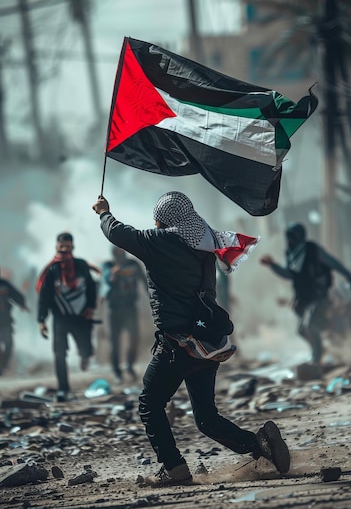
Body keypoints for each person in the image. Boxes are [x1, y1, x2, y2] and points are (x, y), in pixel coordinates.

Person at [92, 191, 290, 487]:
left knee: (149, 403)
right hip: (208, 344)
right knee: (206, 418)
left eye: (158, 218)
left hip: (177, 345)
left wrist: (104, 212)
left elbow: (118, 233)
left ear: (165, 219)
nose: (155, 222)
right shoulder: (204, 241)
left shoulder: (158, 242)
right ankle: (260, 446)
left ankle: (174, 468)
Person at [260, 222, 351, 365]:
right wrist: (273, 265)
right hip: (303, 298)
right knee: (302, 330)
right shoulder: (291, 255)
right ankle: (321, 349)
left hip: (319, 295)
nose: (290, 240)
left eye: (292, 237)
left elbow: (333, 263)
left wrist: (347, 274)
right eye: (288, 237)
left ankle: (317, 356)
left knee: (310, 325)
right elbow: (289, 274)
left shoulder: (312, 250)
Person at [36, 232, 97, 401]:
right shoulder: (52, 270)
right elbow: (45, 297)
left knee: (85, 349)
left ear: (72, 247)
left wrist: (91, 307)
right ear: (56, 247)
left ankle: (86, 356)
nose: (64, 250)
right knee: (59, 353)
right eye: (61, 246)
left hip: (82, 317)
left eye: (67, 246)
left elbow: (92, 287)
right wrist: (42, 320)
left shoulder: (81, 266)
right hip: (60, 318)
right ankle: (63, 388)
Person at [100, 246, 147, 382]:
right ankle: (117, 371)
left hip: (130, 307)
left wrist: (152, 299)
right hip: (113, 309)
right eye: (117, 252)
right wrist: (113, 274)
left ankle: (129, 365)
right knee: (115, 342)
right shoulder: (108, 265)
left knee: (134, 338)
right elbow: (104, 284)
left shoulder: (133, 265)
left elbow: (144, 282)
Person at [0, 274, 29, 375]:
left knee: (9, 345)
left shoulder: (4, 284)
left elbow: (16, 294)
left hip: (5, 322)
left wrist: (22, 304)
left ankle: (2, 369)